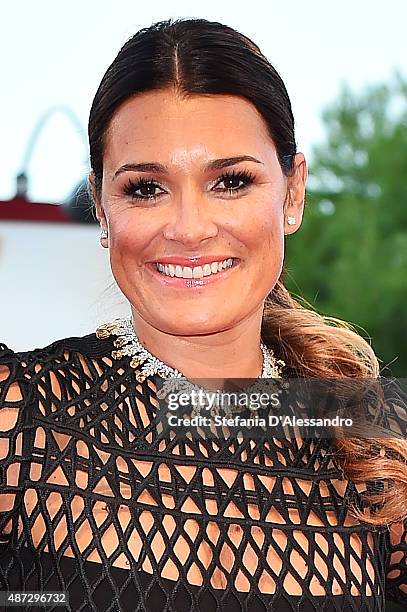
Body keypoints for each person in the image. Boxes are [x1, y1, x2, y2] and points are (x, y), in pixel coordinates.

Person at [1, 17, 406, 612]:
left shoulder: (377, 448)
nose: (189, 229)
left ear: (292, 194)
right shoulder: (19, 416)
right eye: (145, 189)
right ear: (102, 207)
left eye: (231, 182)